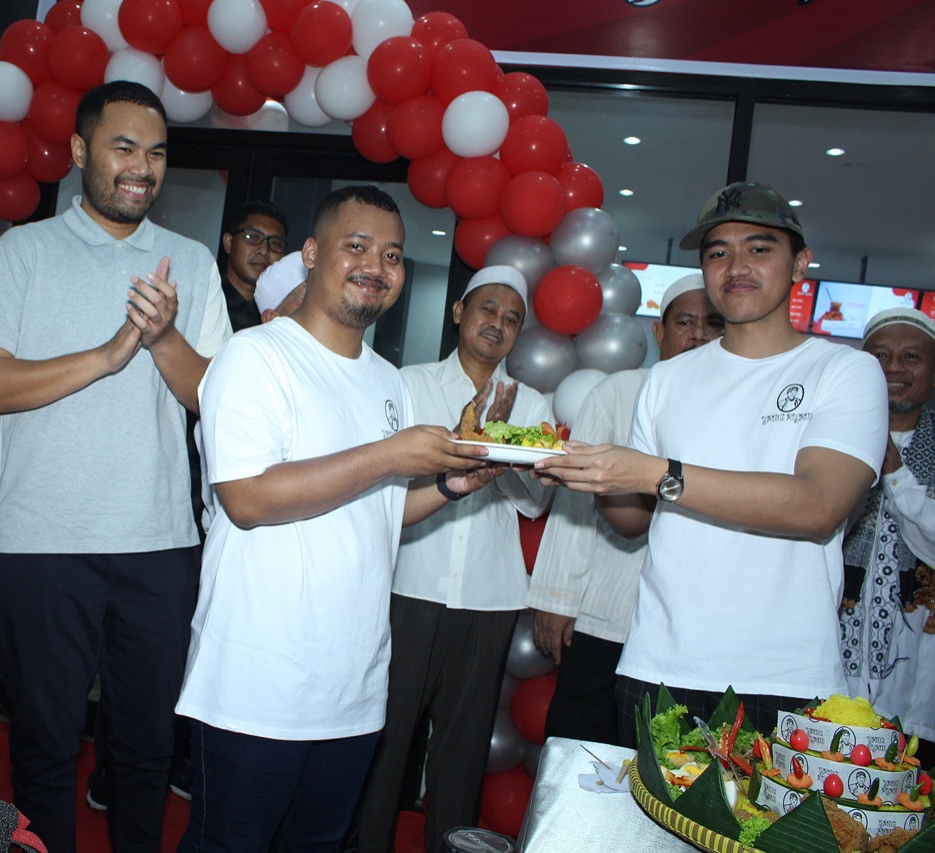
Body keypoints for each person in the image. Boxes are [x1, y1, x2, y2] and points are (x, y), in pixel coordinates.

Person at [176, 185, 504, 853]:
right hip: (255, 683)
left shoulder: (387, 380)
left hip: (352, 687)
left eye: (391, 255)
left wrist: (448, 484)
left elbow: (379, 511)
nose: (374, 267)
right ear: (311, 254)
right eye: (355, 247)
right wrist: (389, 452)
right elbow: (247, 496)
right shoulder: (257, 356)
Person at [0, 80, 230, 853]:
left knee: (142, 750)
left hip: (159, 544)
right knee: (44, 746)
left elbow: (217, 398)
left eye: (158, 152)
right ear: (79, 152)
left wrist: (162, 338)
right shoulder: (24, 250)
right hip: (39, 543)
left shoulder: (193, 262)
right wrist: (109, 356)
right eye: (125, 147)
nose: (144, 166)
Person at [535, 181, 888, 742]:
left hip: (782, 681)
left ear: (800, 263)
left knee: (760, 834)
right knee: (640, 833)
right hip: (656, 666)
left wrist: (655, 473)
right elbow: (634, 521)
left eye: (759, 248)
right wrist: (587, 470)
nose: (737, 266)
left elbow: (817, 506)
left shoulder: (844, 372)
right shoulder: (668, 378)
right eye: (718, 252)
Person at [352, 265, 551, 853]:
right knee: (385, 739)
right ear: (460, 311)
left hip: (488, 597)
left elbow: (536, 503)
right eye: (488, 309)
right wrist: (459, 456)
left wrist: (499, 453)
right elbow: (385, 478)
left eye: (512, 318)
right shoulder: (407, 384)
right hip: (408, 584)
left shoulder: (533, 403)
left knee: (462, 751)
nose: (498, 324)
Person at [527, 274, 723, 746]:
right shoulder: (618, 393)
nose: (697, 334)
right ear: (660, 332)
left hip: (690, 628)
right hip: (605, 614)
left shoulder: (730, 407)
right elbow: (576, 498)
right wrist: (556, 601)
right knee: (582, 753)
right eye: (685, 322)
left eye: (711, 323)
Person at [840, 307, 935, 755]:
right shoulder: (832, 439)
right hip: (831, 662)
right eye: (880, 356)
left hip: (917, 680)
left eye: (911, 357)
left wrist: (894, 471)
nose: (894, 367)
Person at [220, 200, 289, 331]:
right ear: (229, 243)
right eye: (252, 236)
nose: (264, 251)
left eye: (275, 243)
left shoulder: (283, 314)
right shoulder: (205, 299)